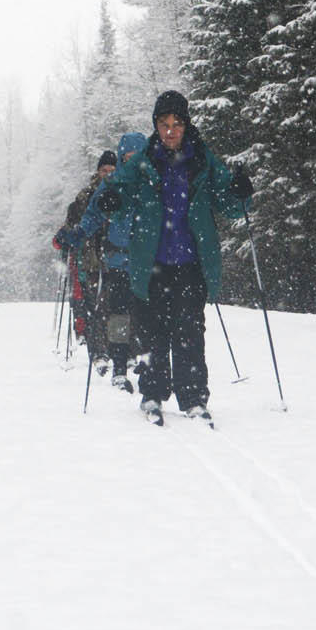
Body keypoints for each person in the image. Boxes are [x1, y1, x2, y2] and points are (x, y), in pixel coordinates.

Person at [58, 91, 252, 426]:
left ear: (185, 124)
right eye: (164, 124)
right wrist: (107, 206)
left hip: (192, 263)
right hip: (151, 264)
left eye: (177, 123)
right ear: (156, 125)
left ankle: (193, 399)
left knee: (190, 332)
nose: (171, 130)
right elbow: (112, 194)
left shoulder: (202, 160)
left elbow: (230, 204)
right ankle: (151, 394)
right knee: (153, 331)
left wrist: (241, 191)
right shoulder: (142, 162)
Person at [70, 134, 146, 390]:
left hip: (146, 260)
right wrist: (78, 233)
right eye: (127, 157)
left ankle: (145, 360)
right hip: (116, 260)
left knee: (146, 313)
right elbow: (91, 214)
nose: (131, 161)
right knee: (118, 314)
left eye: (136, 156)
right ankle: (120, 366)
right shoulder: (113, 184)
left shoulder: (152, 181)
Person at [59, 150, 117, 366]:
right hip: (90, 259)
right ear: (98, 171)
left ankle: (119, 350)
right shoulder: (85, 197)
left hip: (117, 258)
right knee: (96, 307)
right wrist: (69, 237)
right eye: (105, 170)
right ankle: (99, 353)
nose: (108, 174)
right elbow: (72, 222)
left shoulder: (124, 192)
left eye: (112, 170)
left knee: (117, 307)